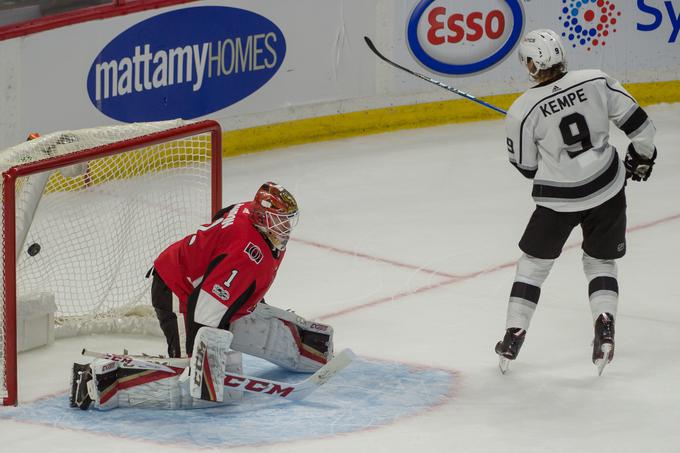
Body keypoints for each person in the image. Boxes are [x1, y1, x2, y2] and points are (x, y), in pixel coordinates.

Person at [70, 182, 334, 410]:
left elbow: (224, 215)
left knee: (218, 354)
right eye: (280, 220)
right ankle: (98, 380)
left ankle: (306, 348)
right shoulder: (245, 252)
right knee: (198, 386)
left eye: (288, 219)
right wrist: (200, 363)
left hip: (204, 288)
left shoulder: (256, 220)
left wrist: (245, 297)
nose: (285, 227)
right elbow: (203, 308)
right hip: (177, 291)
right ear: (264, 218)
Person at [495, 30, 657, 375]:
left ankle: (514, 333)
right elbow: (641, 128)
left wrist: (539, 136)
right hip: (607, 186)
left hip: (559, 198)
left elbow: (526, 168)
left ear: (533, 64)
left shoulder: (522, 110)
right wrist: (641, 158)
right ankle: (605, 327)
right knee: (600, 264)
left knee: (533, 266)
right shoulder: (596, 80)